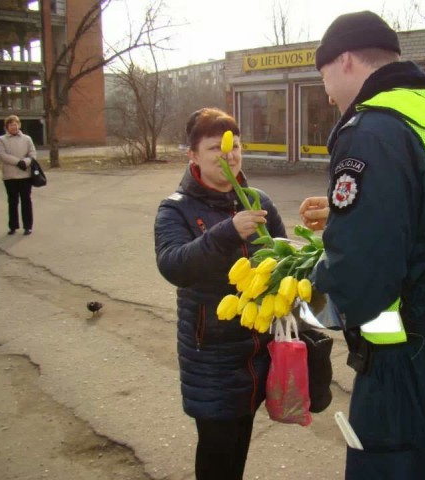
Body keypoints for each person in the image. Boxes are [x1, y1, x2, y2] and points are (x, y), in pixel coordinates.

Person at [299, 11, 425, 480]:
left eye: (324, 73)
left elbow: (359, 279)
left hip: (409, 361)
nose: (326, 91)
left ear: (345, 60)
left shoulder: (372, 130)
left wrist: (302, 297)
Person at [153, 107, 287, 480]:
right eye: (215, 148)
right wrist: (226, 232)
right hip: (211, 355)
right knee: (217, 450)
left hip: (259, 348)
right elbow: (173, 264)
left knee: (239, 442)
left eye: (234, 146)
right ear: (192, 155)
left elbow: (283, 257)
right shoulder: (176, 209)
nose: (228, 155)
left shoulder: (257, 200)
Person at [0, 115, 36, 235]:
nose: (14, 126)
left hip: (25, 175)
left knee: (26, 201)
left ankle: (28, 226)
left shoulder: (27, 138)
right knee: (12, 201)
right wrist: (18, 162)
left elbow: (33, 153)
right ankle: (13, 226)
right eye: (11, 124)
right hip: (10, 176)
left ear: (19, 125)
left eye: (16, 124)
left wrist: (26, 162)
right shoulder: (2, 139)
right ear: (7, 127)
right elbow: (1, 154)